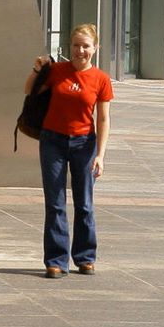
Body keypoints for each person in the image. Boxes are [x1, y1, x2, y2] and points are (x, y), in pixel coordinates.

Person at [25, 23, 113, 278]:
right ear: (70, 47)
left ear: (95, 48)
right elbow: (29, 90)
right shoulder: (57, 71)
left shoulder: (101, 79)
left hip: (84, 143)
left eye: (86, 46)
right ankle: (56, 260)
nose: (80, 51)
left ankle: (85, 257)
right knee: (55, 203)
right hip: (52, 141)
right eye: (76, 45)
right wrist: (37, 69)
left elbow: (104, 119)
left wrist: (100, 155)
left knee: (84, 203)